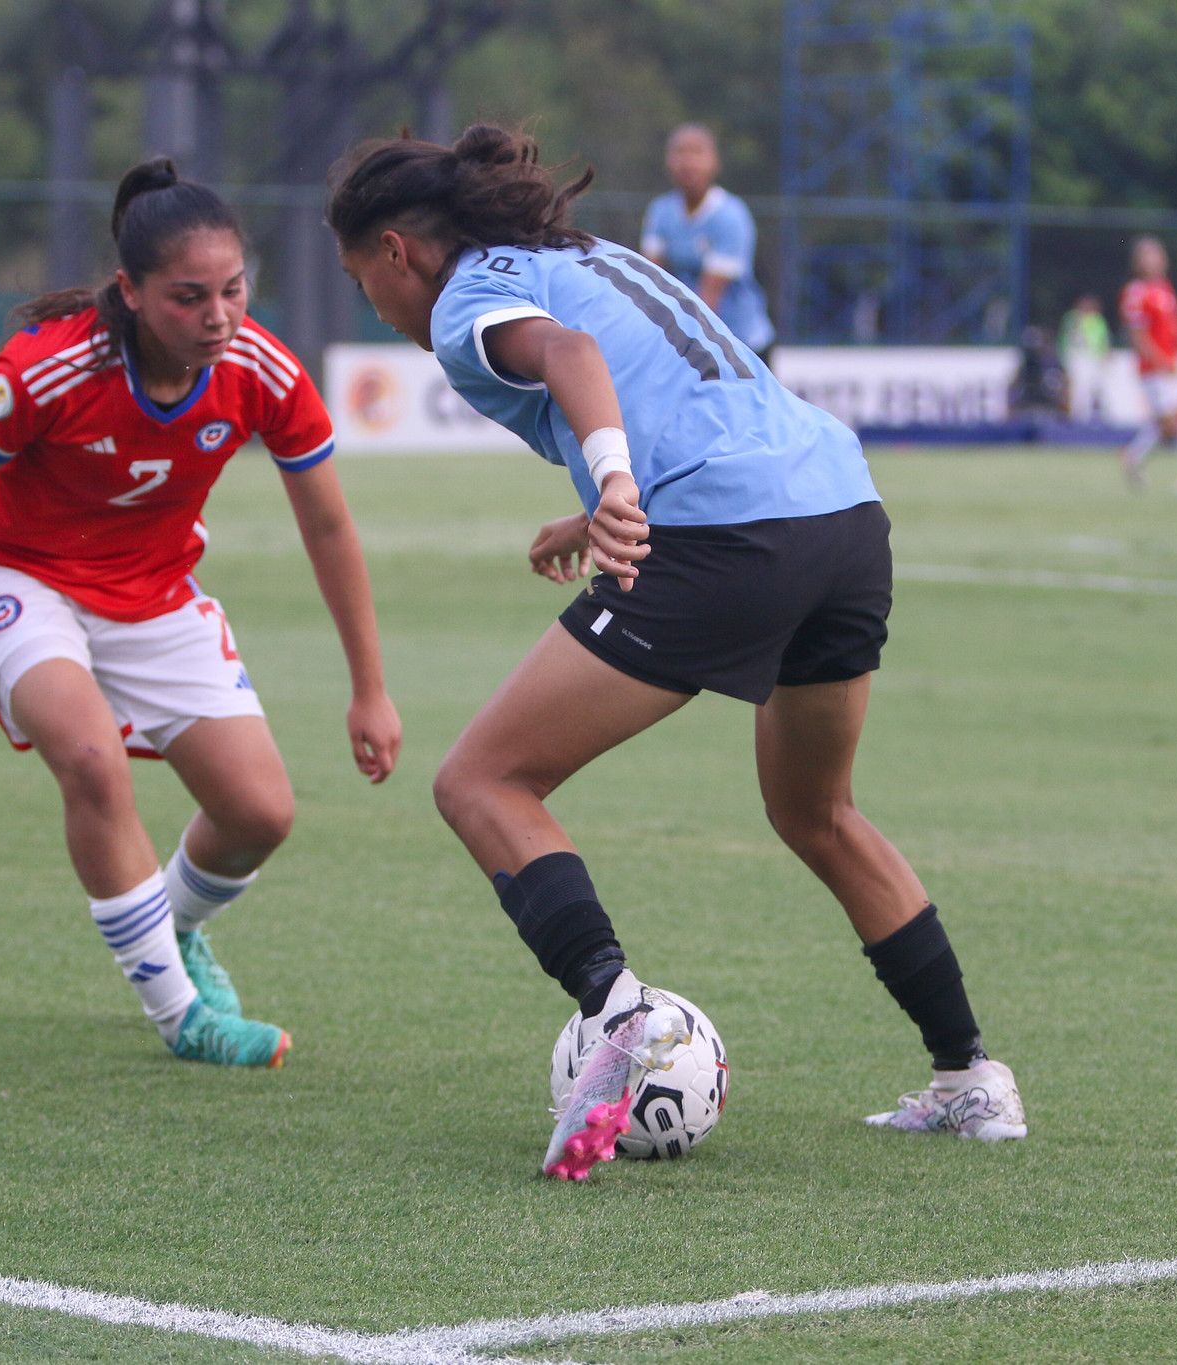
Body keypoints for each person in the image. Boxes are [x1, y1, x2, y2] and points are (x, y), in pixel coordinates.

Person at [328, 125, 1025, 1180]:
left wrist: (610, 486)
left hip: (727, 535)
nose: (370, 306)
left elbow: (571, 359)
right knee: (815, 812)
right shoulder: (584, 254)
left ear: (395, 250)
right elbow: (681, 379)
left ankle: (621, 1016)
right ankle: (969, 1079)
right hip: (839, 512)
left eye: (357, 281)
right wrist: (603, 499)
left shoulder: (470, 295)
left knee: (482, 780)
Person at [0, 159, 402, 1066]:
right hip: (19, 579)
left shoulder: (261, 370)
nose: (218, 316)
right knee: (90, 759)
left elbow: (328, 526)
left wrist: (370, 687)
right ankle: (181, 1016)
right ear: (129, 292)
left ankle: (171, 927)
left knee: (258, 813)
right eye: (188, 297)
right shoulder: (50, 369)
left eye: (234, 289)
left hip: (157, 590)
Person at [641, 123, 777, 364]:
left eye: (697, 152)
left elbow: (709, 298)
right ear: (667, 162)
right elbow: (651, 281)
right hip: (687, 339)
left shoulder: (731, 216)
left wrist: (680, 347)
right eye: (680, 152)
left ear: (715, 163)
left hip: (742, 344)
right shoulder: (661, 212)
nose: (688, 162)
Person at [1119, 237, 1177, 498]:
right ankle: (1136, 456)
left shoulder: (1164, 288)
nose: (1155, 260)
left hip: (1173, 363)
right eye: (1148, 255)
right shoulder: (1136, 293)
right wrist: (1161, 361)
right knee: (1171, 423)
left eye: (1157, 254)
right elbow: (1138, 335)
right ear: (1138, 262)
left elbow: (1164, 322)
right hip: (1154, 369)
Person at [1059, 293, 1111, 422]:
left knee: (1095, 386)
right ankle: (1077, 416)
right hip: (1078, 356)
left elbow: (1103, 339)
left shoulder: (1098, 320)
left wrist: (1105, 354)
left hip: (1093, 357)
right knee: (1078, 387)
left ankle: (1094, 416)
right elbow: (1069, 338)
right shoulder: (1073, 318)